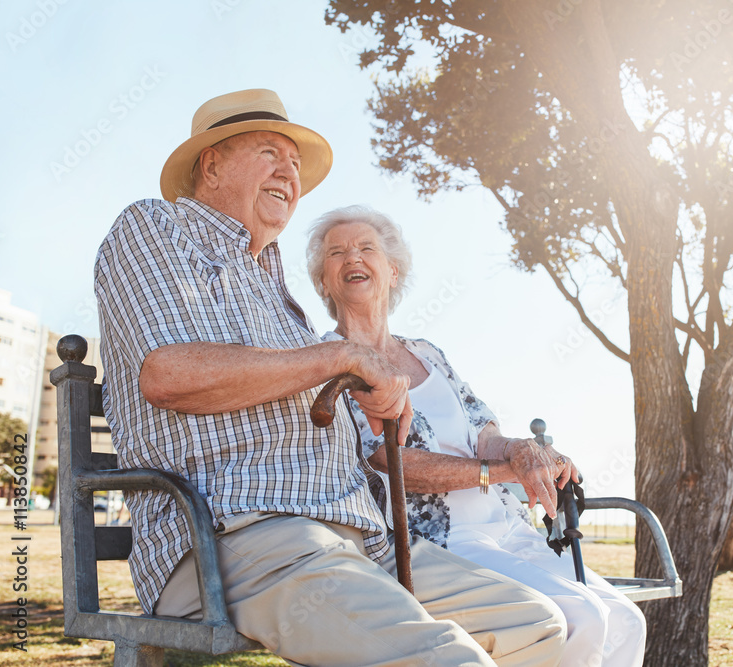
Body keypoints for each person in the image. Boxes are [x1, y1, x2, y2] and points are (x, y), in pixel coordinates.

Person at [94, 88, 568, 667]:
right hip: (241, 532)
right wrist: (340, 360)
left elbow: (313, 399)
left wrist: (369, 410)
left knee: (537, 626)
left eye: (294, 164)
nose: (288, 172)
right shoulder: (156, 228)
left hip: (360, 539)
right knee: (448, 661)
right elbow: (166, 374)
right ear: (210, 164)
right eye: (270, 152)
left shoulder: (274, 288)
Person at [306, 205, 647, 667]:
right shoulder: (332, 362)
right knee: (583, 619)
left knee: (626, 621)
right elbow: (387, 461)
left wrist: (526, 454)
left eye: (367, 248)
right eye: (336, 253)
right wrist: (500, 470)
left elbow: (484, 430)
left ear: (392, 270)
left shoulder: (427, 353)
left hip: (506, 524)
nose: (353, 258)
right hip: (440, 540)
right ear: (324, 281)